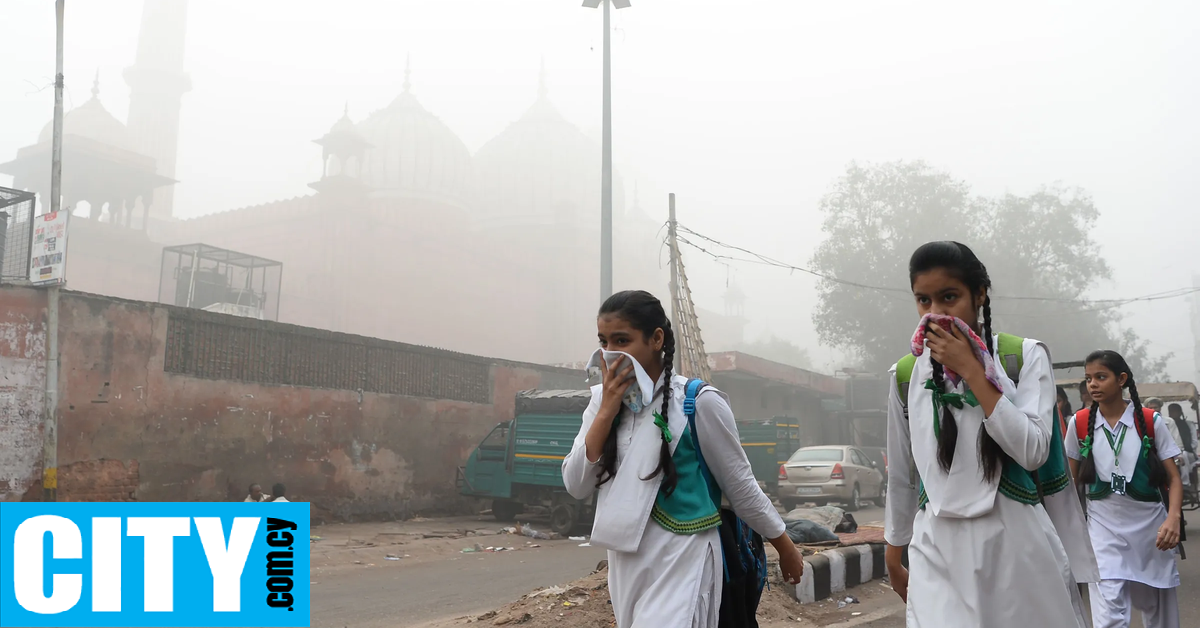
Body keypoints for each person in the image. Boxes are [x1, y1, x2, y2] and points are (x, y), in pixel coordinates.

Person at [884, 241, 1097, 628]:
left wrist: (973, 371)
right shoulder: (905, 376)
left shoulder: (1023, 357)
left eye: (949, 297)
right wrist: (894, 551)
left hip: (1015, 545)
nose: (935, 314)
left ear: (980, 294)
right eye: (923, 300)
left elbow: (1032, 451)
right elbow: (901, 474)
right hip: (937, 550)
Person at [562, 290, 804, 628]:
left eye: (622, 340)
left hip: (685, 556)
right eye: (604, 342)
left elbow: (741, 487)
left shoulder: (699, 402)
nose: (610, 354)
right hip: (625, 563)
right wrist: (606, 411)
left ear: (656, 338)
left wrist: (785, 546)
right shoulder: (602, 404)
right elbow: (575, 484)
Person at [1065, 350, 1182, 628]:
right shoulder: (1079, 423)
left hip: (1151, 530)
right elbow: (1070, 482)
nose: (1092, 384)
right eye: (1089, 378)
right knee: (1107, 612)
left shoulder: (1150, 421)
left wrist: (1173, 518)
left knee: (1157, 611)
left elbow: (1174, 479)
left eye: (1100, 377)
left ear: (1122, 380)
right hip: (1102, 530)